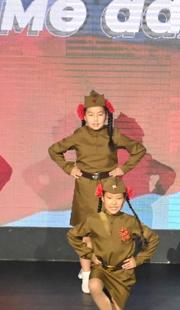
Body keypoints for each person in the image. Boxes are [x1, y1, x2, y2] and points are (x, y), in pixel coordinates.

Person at [49, 90, 147, 293]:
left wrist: (123, 169)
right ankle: (86, 274)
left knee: (105, 233)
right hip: (85, 188)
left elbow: (138, 150)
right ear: (84, 116)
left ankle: (102, 271)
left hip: (108, 188)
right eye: (91, 114)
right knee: (86, 233)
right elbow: (54, 150)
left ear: (106, 115)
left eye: (100, 114)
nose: (95, 119)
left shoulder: (112, 134)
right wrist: (69, 168)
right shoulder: (79, 135)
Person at [67, 176, 160, 310]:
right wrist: (89, 255)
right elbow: (72, 235)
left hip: (123, 273)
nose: (114, 202)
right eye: (109, 198)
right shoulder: (93, 220)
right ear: (102, 198)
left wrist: (138, 260)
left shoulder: (130, 221)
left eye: (118, 198)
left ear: (125, 199)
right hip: (102, 268)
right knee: (93, 285)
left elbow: (153, 239)